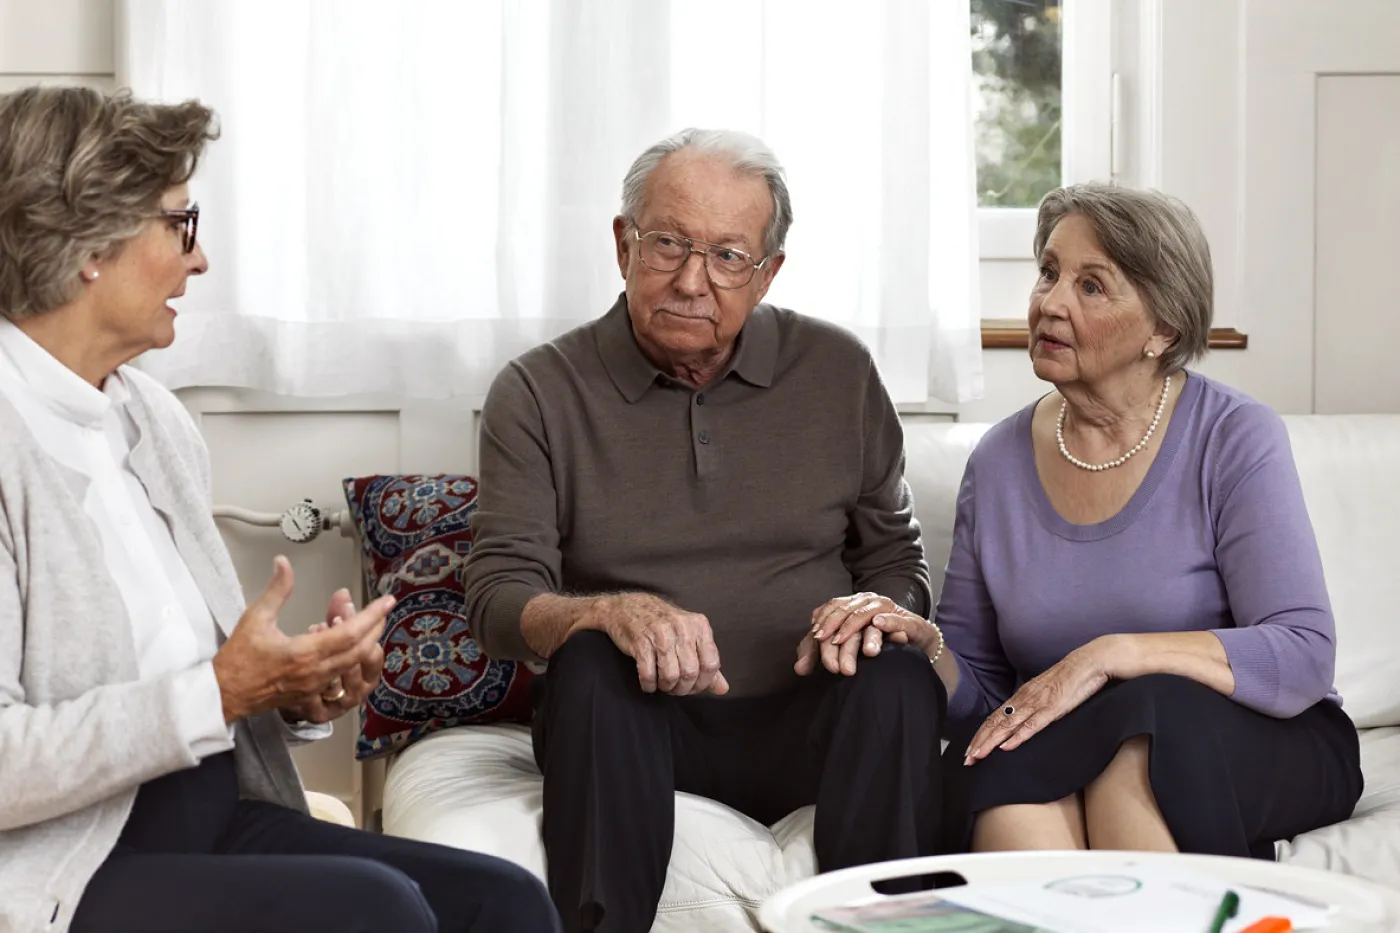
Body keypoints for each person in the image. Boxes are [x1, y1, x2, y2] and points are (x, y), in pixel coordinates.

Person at [0, 86, 560, 933]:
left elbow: (210, 688)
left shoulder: (154, 420)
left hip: (211, 815)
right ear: (91, 243)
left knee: (505, 902)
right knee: (378, 912)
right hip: (61, 863)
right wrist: (221, 691)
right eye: (179, 224)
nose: (199, 260)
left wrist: (294, 690)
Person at [464, 127, 946, 933]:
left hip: (810, 716)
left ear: (767, 273)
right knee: (590, 658)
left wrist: (876, 609)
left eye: (727, 256)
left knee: (896, 672)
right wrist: (604, 611)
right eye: (668, 244)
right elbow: (496, 598)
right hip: (639, 723)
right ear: (623, 244)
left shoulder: (838, 370)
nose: (692, 281)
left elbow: (898, 559)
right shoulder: (538, 390)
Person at [830, 183, 1363, 859]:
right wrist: (927, 644)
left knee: (1142, 733)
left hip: (1252, 736)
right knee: (1005, 787)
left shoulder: (1233, 436)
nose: (1050, 303)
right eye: (1048, 273)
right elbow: (989, 699)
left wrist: (1113, 656)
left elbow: (1302, 652)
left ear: (1163, 330)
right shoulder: (997, 462)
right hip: (1069, 738)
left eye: (1091, 286)